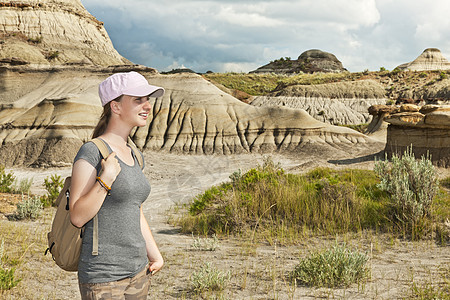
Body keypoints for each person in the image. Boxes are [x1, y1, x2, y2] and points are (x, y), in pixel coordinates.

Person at [69, 71, 165, 299]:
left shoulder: (135, 154)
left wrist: (155, 254)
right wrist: (106, 179)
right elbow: (77, 216)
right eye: (138, 100)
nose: (147, 106)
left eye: (148, 99)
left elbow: (135, 209)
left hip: (139, 271)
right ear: (116, 106)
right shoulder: (92, 151)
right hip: (103, 276)